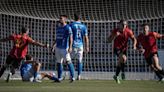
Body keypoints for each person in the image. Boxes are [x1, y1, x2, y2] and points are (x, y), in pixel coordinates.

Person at [51, 15, 75, 82]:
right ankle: (59, 78)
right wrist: (53, 46)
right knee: (59, 63)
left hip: (65, 48)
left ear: (65, 19)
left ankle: (73, 77)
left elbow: (71, 38)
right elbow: (57, 38)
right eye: (60, 18)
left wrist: (70, 47)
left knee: (68, 61)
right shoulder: (58, 28)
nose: (60, 19)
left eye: (61, 18)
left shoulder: (68, 27)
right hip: (58, 47)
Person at [69, 13, 89, 80]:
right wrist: (87, 47)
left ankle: (71, 75)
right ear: (80, 18)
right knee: (80, 61)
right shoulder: (83, 26)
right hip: (80, 45)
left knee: (69, 61)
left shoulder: (71, 25)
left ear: (74, 18)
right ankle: (79, 75)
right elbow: (86, 37)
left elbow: (69, 36)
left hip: (73, 45)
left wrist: (69, 46)